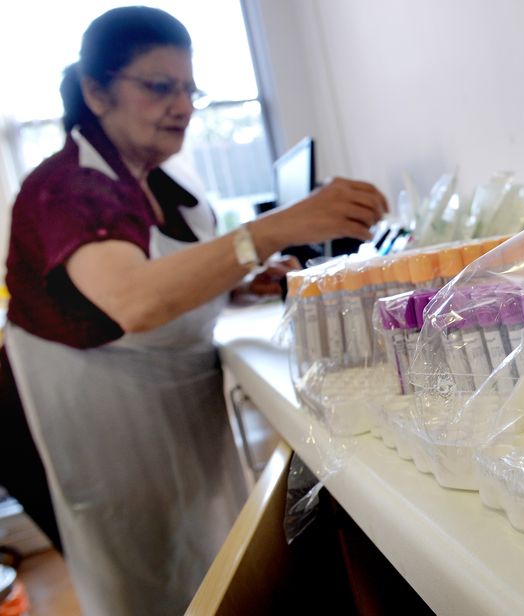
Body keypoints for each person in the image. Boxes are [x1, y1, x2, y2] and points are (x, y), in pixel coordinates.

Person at [3, 6, 386, 615]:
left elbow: (171, 275)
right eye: (159, 87)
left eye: (189, 89)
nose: (180, 106)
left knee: (201, 550)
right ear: (97, 92)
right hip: (93, 405)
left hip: (164, 396)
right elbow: (135, 298)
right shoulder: (66, 190)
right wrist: (274, 229)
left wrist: (239, 283)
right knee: (142, 564)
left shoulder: (157, 180)